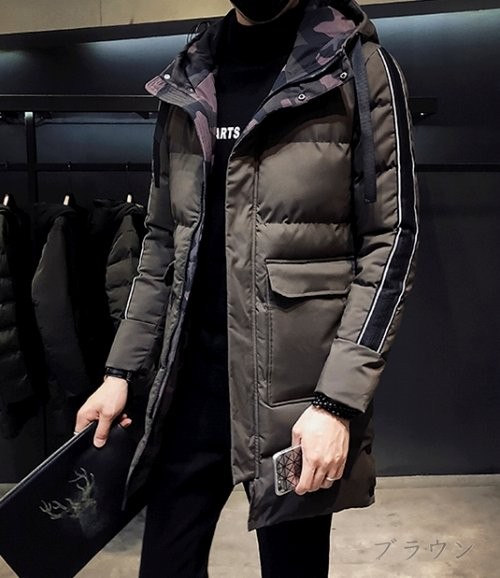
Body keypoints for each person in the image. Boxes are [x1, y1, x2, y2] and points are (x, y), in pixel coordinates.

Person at [75, 0, 419, 575]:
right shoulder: (191, 71)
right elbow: (161, 241)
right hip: (187, 392)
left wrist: (337, 403)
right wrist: (120, 373)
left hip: (296, 401)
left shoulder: (356, 67)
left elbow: (392, 240)